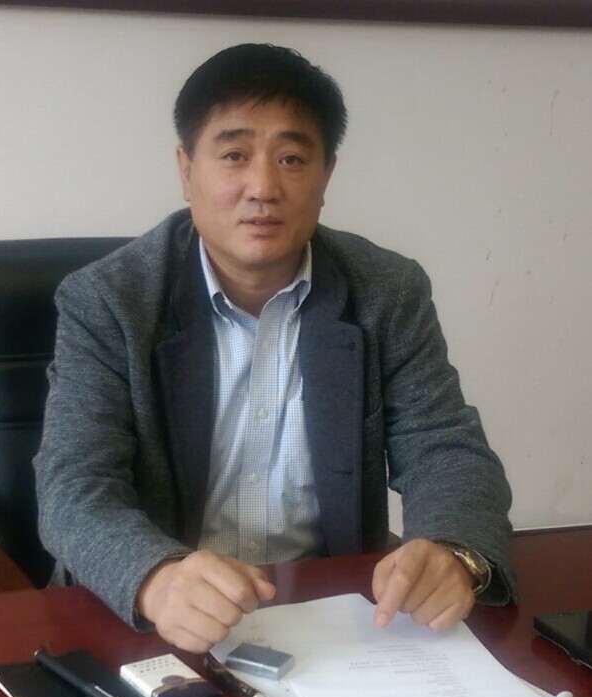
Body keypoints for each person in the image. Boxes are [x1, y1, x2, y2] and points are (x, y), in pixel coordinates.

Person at [35, 43, 516, 654]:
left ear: (326, 176)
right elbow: (73, 485)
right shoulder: (109, 300)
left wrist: (454, 552)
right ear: (186, 170)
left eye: (291, 159)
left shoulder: (387, 292)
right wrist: (155, 578)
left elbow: (446, 450)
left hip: (331, 619)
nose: (262, 187)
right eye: (234, 155)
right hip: (155, 623)